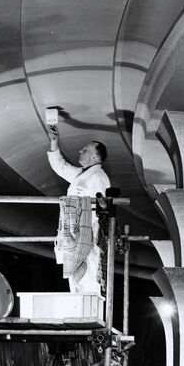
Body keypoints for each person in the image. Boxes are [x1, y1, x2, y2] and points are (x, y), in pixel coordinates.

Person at [46, 123, 110, 294]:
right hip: (74, 235)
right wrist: (54, 142)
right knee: (76, 281)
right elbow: (60, 166)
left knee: (87, 277)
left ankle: (89, 315)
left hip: (84, 235)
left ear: (96, 157)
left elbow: (98, 210)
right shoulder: (82, 174)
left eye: (85, 150)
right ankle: (79, 314)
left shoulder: (99, 177)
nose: (80, 152)